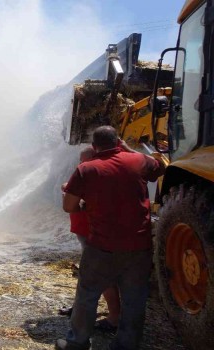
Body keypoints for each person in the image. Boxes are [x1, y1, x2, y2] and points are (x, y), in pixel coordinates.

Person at [55, 126, 166, 350]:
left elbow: (69, 206)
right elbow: (161, 166)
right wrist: (128, 149)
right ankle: (126, 344)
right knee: (134, 299)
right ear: (118, 142)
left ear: (94, 147)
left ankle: (77, 342)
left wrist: (86, 205)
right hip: (139, 245)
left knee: (87, 295)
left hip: (101, 246)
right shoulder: (137, 162)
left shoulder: (87, 169)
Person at [59, 146, 121, 334]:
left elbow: (75, 203)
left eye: (83, 160)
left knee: (103, 276)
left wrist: (70, 193)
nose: (80, 164)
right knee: (87, 272)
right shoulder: (90, 174)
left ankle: (114, 318)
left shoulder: (96, 175)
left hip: (93, 233)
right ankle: (80, 309)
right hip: (86, 231)